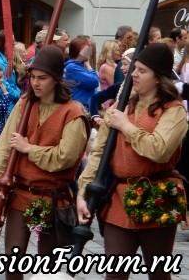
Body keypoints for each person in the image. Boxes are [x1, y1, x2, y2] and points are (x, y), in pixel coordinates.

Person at [77, 43, 188, 280]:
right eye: (133, 68)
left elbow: (158, 150)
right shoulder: (121, 106)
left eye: (142, 70)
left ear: (158, 78)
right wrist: (83, 191)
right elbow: (99, 153)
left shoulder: (174, 110)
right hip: (119, 197)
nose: (133, 74)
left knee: (159, 274)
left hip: (156, 197)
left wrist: (126, 126)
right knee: (115, 274)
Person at [0, 45, 89, 280]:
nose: (36, 83)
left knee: (49, 269)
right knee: (12, 264)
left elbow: (64, 158)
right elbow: (5, 144)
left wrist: (29, 149)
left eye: (42, 78)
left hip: (52, 196)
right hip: (21, 194)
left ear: (56, 79)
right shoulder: (24, 105)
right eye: (33, 77)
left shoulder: (73, 114)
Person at [64, 36, 100, 111]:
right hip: (80, 109)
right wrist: (88, 65)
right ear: (81, 50)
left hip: (87, 107)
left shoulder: (80, 65)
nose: (91, 50)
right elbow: (94, 82)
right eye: (88, 48)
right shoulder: (72, 67)